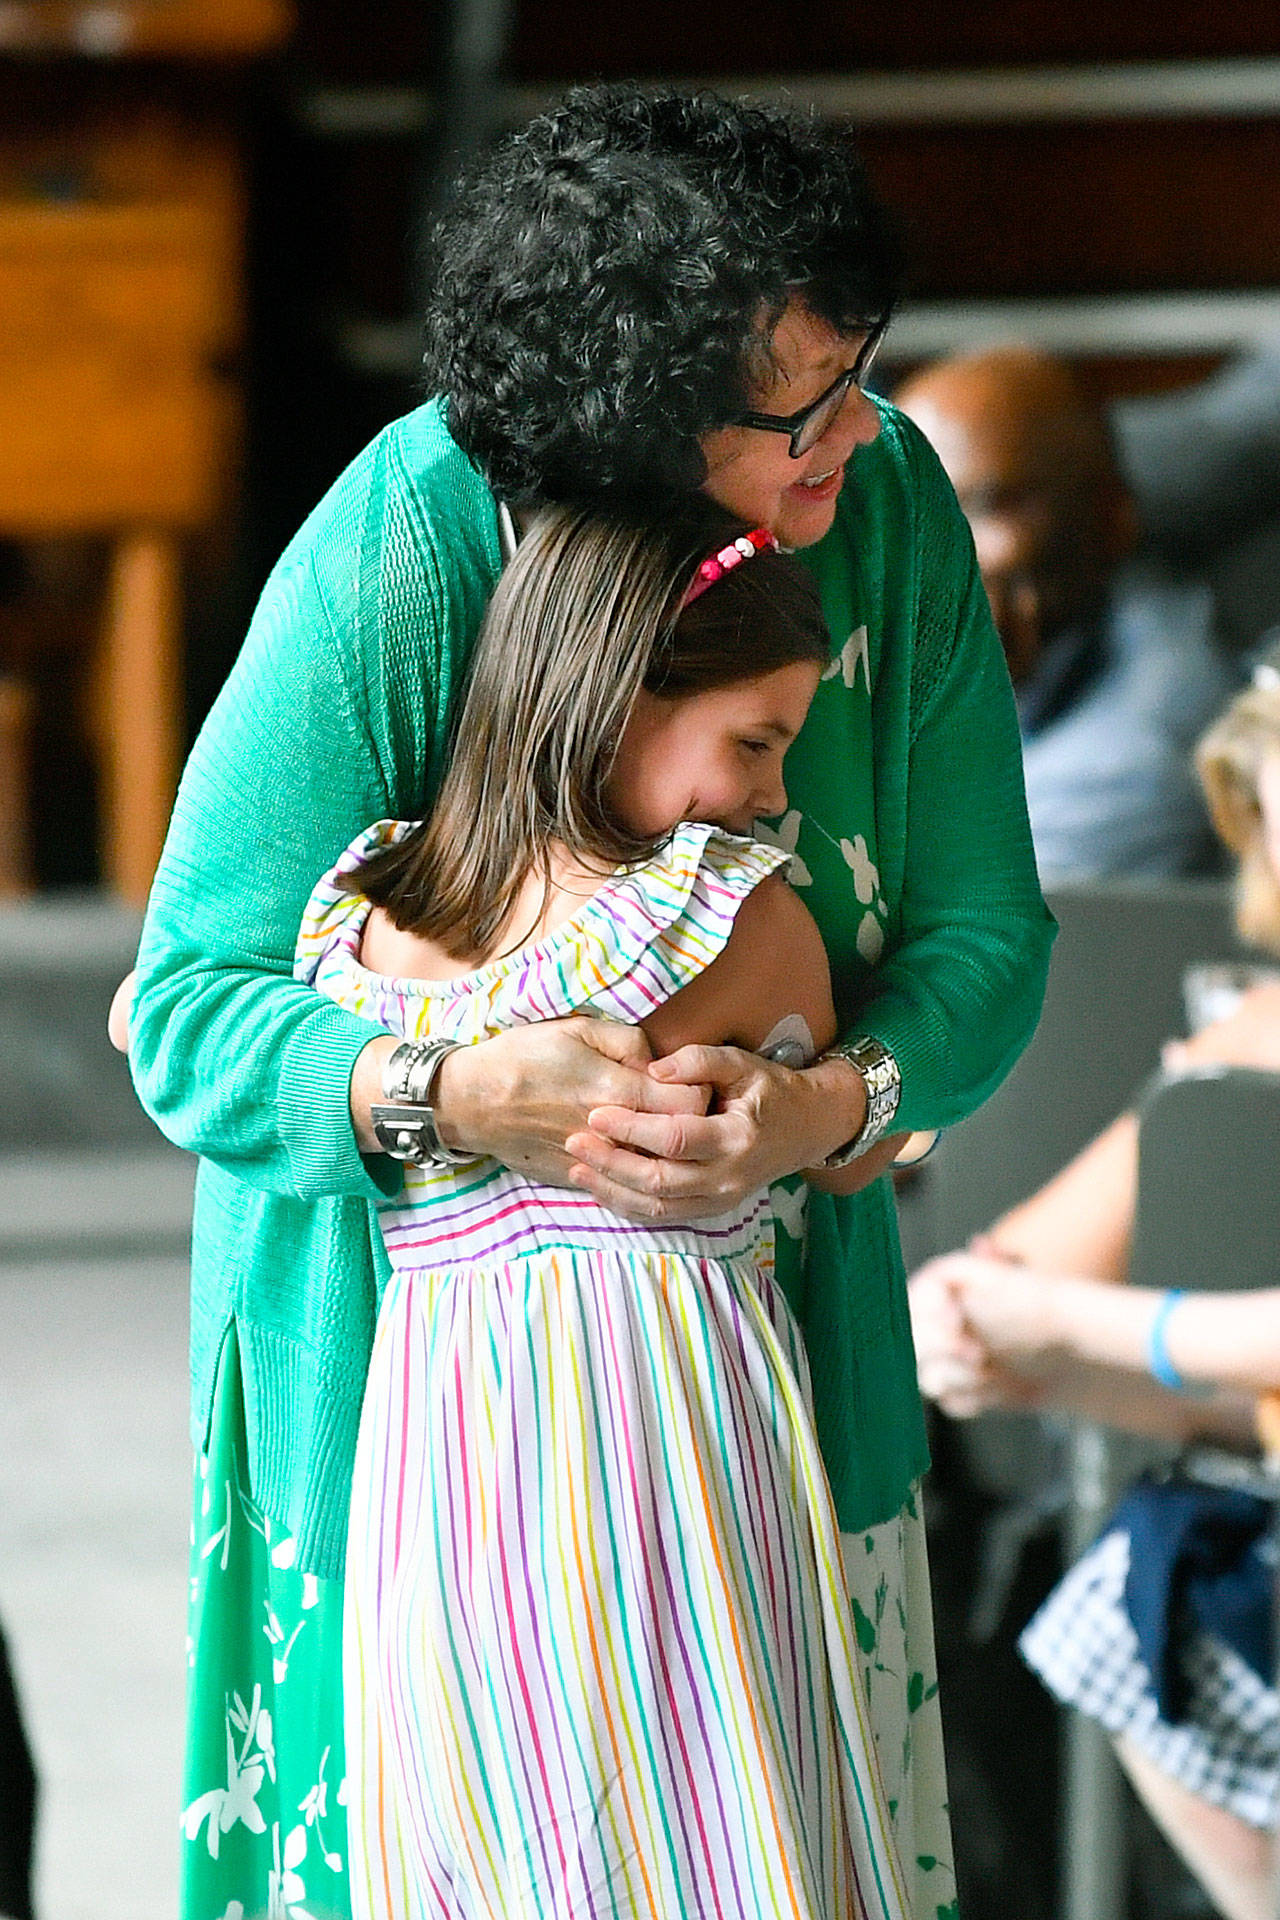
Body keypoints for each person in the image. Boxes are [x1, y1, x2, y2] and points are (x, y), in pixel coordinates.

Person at [124, 85, 1051, 1920]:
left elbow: (984, 938)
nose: (853, 437)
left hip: (755, 1382)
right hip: (410, 1419)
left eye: (865, 374)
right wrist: (457, 1095)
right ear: (628, 431)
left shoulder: (883, 510)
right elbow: (190, 1013)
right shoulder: (412, 538)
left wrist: (828, 1107)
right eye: (801, 407)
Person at [301, 496, 929, 1917]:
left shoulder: (364, 933)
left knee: (491, 1819)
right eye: (757, 743)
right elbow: (843, 1162)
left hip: (446, 1475)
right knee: (709, 1823)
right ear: (613, 692)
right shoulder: (736, 922)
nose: (774, 794)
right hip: (669, 1458)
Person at [910, 657, 1280, 1920]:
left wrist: (1074, 1332)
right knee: (1142, 1588)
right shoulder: (1257, 1036)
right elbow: (997, 1283)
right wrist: (1008, 1343)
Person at [894, 345, 1235, 884]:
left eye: (985, 506)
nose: (928, 556)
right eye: (913, 512)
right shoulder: (1092, 615)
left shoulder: (1131, 763)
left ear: (1112, 520)